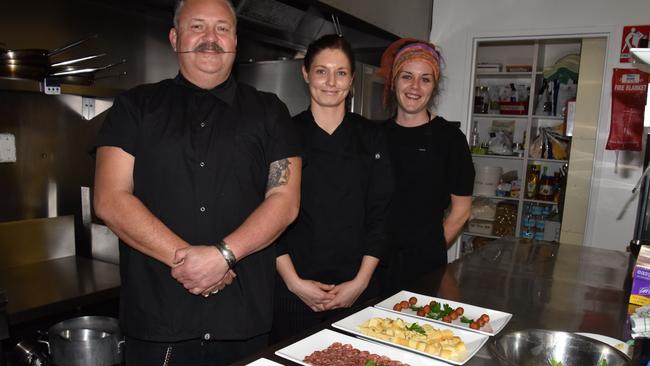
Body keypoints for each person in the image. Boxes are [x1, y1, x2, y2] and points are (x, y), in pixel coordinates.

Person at [92, 0, 302, 364]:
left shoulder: (271, 111)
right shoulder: (134, 108)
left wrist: (223, 255)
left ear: (236, 40)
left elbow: (284, 199)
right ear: (174, 38)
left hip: (243, 321)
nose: (211, 38)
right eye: (197, 26)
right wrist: (193, 263)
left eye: (222, 28)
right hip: (159, 322)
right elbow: (110, 198)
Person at [270, 34, 393, 342]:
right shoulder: (284, 134)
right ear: (305, 74)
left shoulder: (371, 136)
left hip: (358, 291)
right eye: (321, 71)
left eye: (340, 73)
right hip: (292, 293)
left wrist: (360, 282)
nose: (330, 81)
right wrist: (294, 283)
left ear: (351, 79)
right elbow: (268, 214)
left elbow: (381, 215)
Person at [376, 38, 474, 291]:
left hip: (424, 266)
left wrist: (427, 250)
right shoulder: (373, 135)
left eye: (425, 79)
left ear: (434, 87)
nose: (415, 87)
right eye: (407, 76)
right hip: (372, 264)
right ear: (394, 80)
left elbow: (461, 211)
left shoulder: (450, 140)